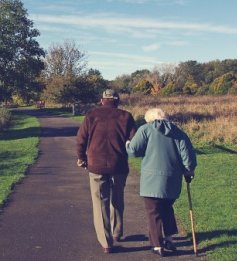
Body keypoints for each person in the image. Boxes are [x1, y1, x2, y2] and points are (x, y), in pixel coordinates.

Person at [125, 108, 197, 257]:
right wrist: (189, 171)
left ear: (149, 119)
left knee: (153, 212)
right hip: (172, 180)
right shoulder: (178, 132)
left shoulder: (145, 129)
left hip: (151, 181)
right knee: (167, 208)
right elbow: (188, 156)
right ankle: (169, 239)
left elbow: (133, 151)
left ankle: (157, 245)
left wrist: (127, 143)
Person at [76, 89, 137, 254]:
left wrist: (81, 157)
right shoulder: (126, 116)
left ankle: (106, 242)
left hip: (96, 164)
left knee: (99, 202)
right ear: (117, 101)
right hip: (119, 165)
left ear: (102, 100)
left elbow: (81, 139)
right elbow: (134, 141)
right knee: (117, 198)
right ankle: (117, 232)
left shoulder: (91, 115)